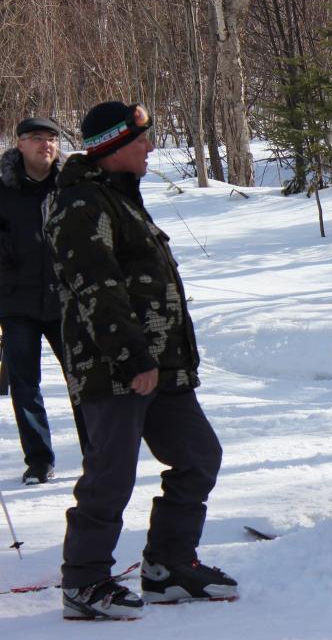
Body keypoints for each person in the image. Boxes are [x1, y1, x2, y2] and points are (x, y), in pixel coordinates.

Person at [46, 101, 237, 620]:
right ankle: (84, 582)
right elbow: (97, 288)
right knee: (111, 474)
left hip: (163, 365)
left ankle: (168, 566)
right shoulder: (81, 204)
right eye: (140, 140)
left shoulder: (120, 199)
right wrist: (132, 359)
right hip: (115, 368)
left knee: (198, 456)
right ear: (111, 148)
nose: (150, 147)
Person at [0, 117, 87, 485]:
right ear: (20, 144)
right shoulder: (3, 188)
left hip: (65, 300)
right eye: (37, 139)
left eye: (52, 138)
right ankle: (38, 460)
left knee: (83, 380)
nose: (46, 145)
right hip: (16, 303)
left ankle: (97, 453)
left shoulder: (73, 184)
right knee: (25, 384)